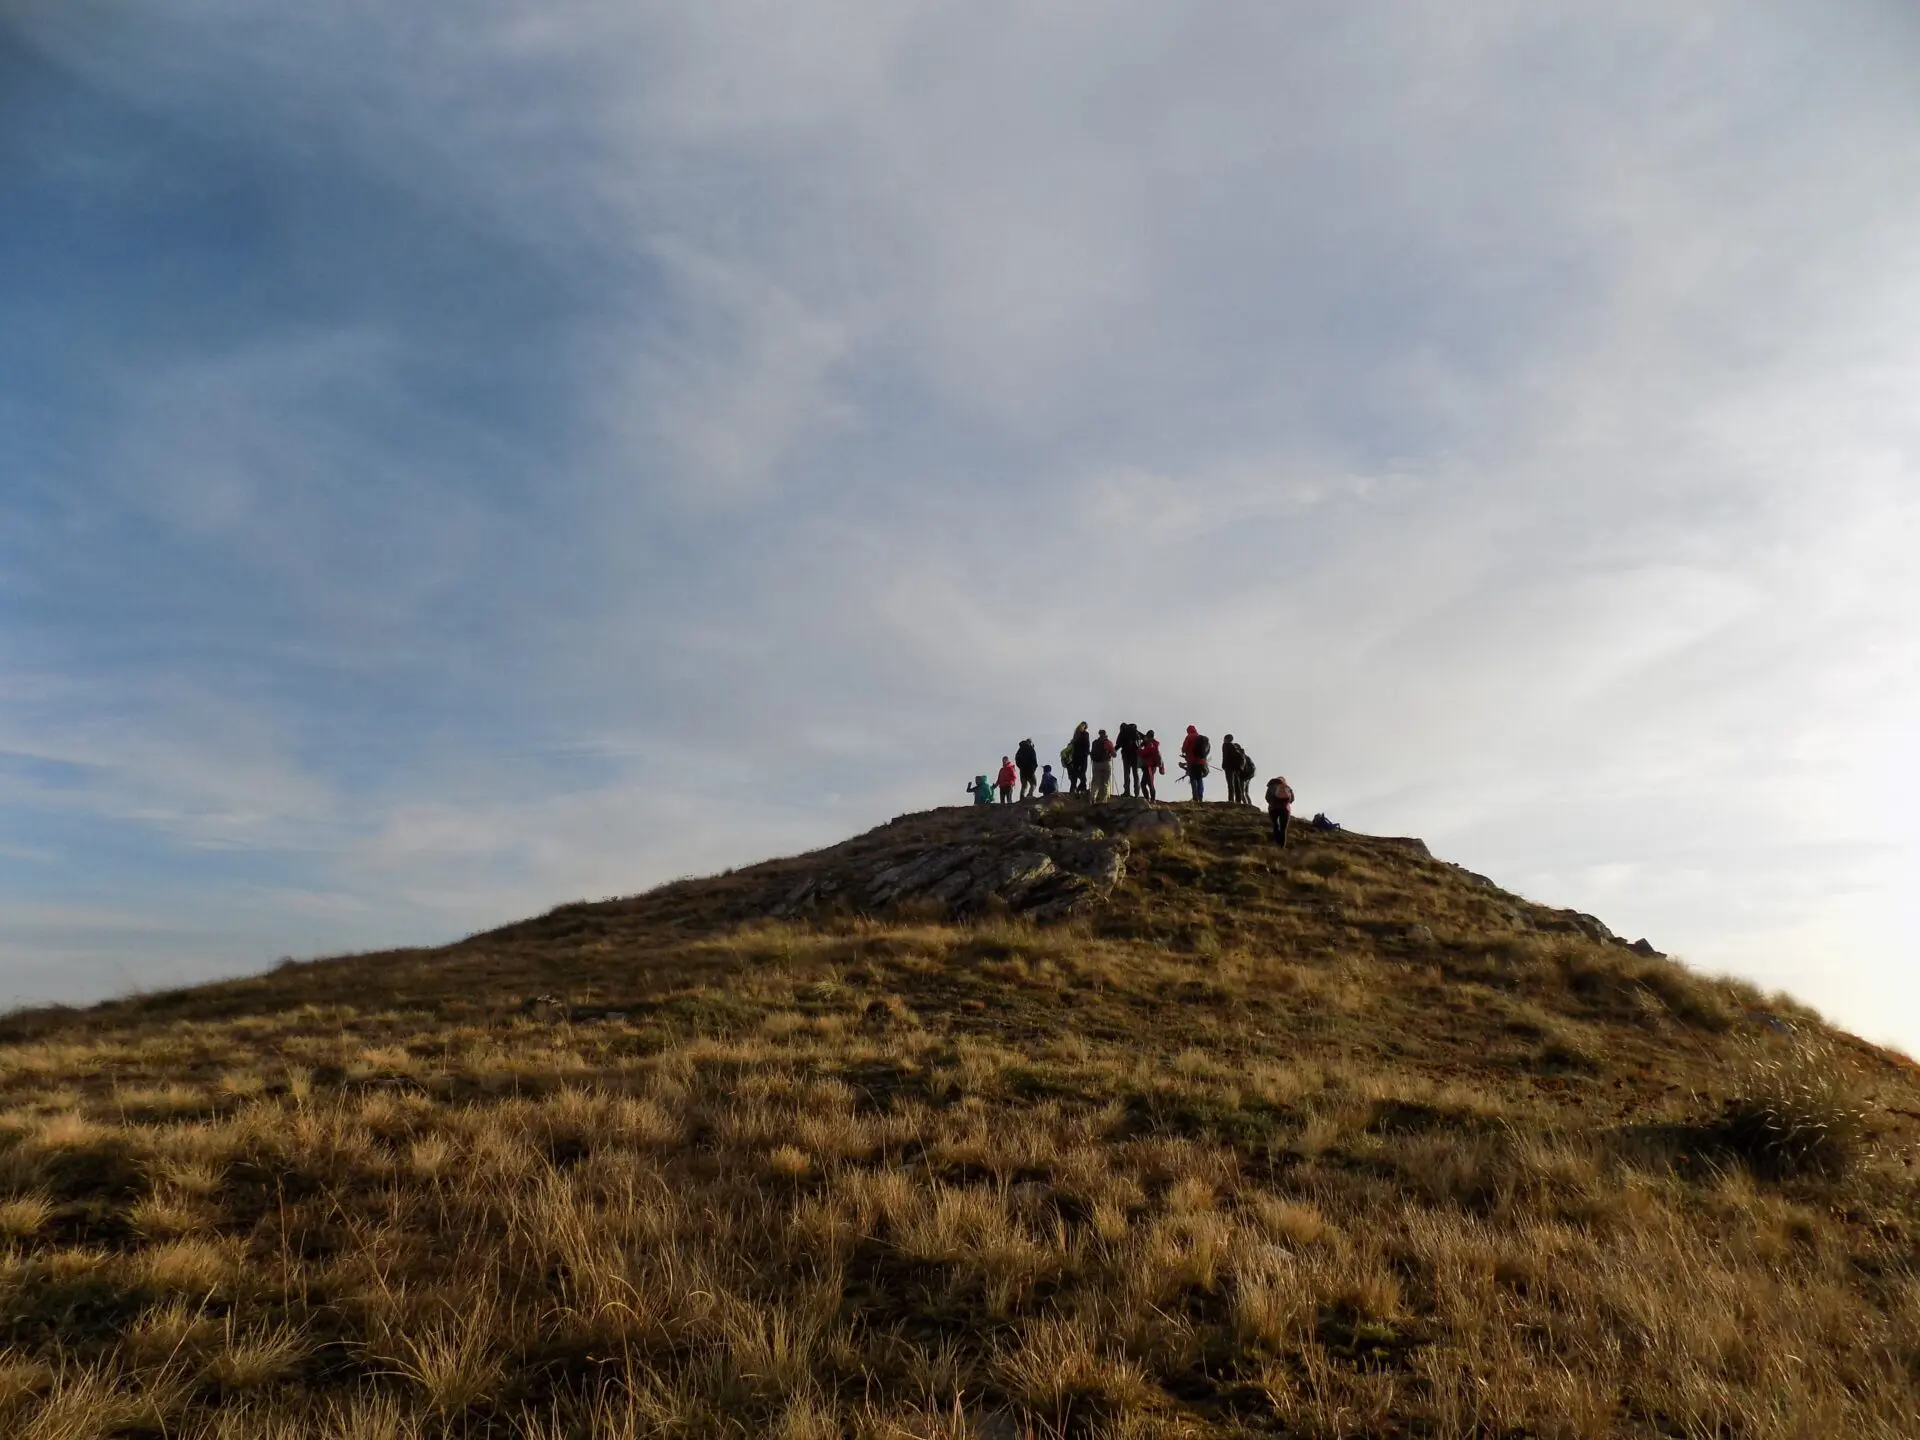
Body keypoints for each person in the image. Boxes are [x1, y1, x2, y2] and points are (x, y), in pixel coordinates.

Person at [1180, 725, 1210, 802]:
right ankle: (1200, 796)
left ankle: (1195, 797)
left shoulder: (1189, 737)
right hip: (1201, 761)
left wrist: (1184, 752)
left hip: (1192, 761)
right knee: (1199, 778)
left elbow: (1184, 748)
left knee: (1193, 779)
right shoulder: (1202, 738)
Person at [1265, 774, 1295, 845]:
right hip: (1285, 809)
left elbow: (1267, 798)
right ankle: (1281, 847)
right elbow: (1292, 799)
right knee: (1283, 829)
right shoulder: (1287, 787)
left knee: (1275, 826)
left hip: (1273, 809)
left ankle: (1278, 842)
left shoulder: (1271, 786)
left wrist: (1272, 802)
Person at [1089, 728, 1115, 802]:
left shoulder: (1095, 742)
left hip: (1096, 764)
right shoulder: (1108, 742)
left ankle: (1092, 799)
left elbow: (1092, 753)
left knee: (1095, 782)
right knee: (1105, 783)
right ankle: (1103, 801)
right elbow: (1114, 754)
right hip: (1106, 764)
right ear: (1105, 734)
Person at [1116, 722, 1142, 797]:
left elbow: (1118, 744)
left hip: (1126, 756)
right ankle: (1137, 793)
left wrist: (1113, 751)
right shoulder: (1135, 732)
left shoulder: (1122, 732)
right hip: (1135, 756)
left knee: (1126, 774)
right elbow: (1144, 738)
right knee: (1135, 774)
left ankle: (1127, 792)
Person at [1137, 730, 1164, 801]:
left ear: (1149, 737)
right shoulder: (1154, 745)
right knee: (1149, 783)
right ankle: (1151, 799)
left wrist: (1139, 749)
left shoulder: (1150, 745)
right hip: (1151, 766)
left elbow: (1143, 753)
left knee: (1144, 784)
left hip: (1149, 766)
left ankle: (1149, 799)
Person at [1220, 735, 1245, 805]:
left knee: (1230, 783)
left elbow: (1225, 756)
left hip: (1229, 767)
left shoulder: (1226, 745)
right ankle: (1238, 800)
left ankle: (1231, 800)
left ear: (1226, 739)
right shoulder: (1235, 747)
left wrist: (1223, 765)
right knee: (1236, 783)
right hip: (1236, 768)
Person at [1068, 722, 1092, 794]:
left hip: (1075, 756)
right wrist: (1088, 752)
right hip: (1083, 756)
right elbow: (1087, 744)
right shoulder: (1085, 734)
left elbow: (1073, 745)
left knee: (1075, 773)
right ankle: (1082, 789)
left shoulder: (1076, 734)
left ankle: (1073, 789)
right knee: (1083, 772)